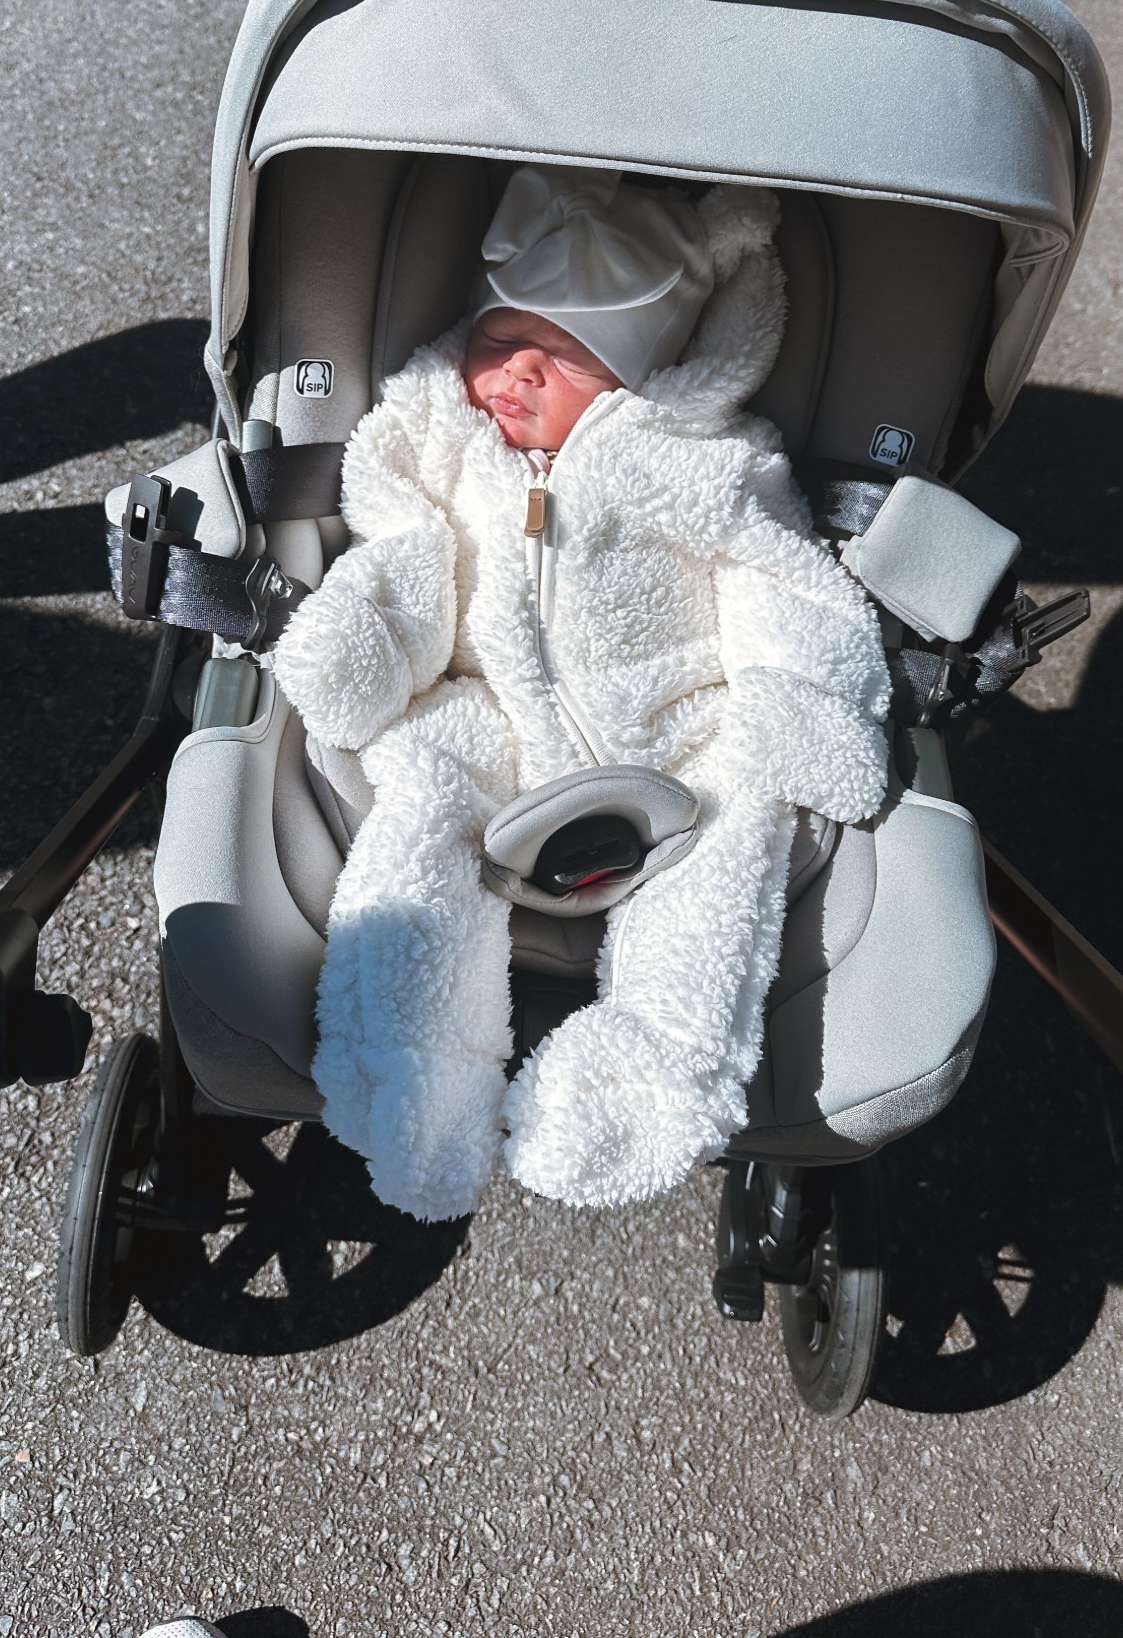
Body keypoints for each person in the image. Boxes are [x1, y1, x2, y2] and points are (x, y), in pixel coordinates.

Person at [272, 167, 889, 1220]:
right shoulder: (444, 445)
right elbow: (408, 554)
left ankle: (639, 1087)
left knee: (731, 849)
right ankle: (412, 1081)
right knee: (421, 821)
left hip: (678, 745)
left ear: (631, 380)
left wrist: (808, 705)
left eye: (553, 357)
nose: (510, 370)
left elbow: (786, 583)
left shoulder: (704, 461)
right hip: (491, 725)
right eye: (493, 337)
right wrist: (363, 640)